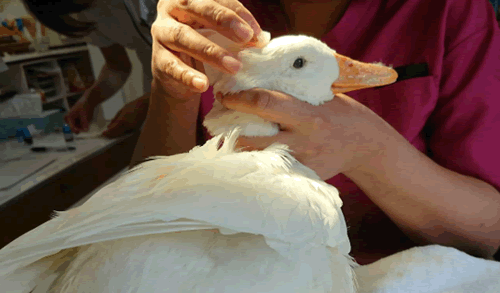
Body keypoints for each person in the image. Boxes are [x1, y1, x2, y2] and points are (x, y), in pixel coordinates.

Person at [131, 0, 500, 265]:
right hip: (225, 277)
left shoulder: (450, 10)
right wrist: (170, 91)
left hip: (396, 280)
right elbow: (143, 216)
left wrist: (369, 150)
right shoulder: (207, 17)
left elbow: (487, 232)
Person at [22, 0, 155, 138]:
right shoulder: (83, 14)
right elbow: (117, 67)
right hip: (156, 81)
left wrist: (147, 104)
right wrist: (89, 100)